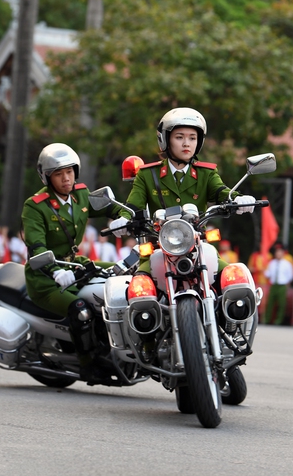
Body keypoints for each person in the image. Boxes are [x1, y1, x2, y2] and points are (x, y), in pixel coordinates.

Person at [108, 107, 256, 278]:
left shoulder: (206, 173)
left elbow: (222, 192)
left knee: (235, 279)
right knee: (139, 289)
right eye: (179, 137)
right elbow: (133, 205)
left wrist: (239, 199)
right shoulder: (148, 174)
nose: (187, 143)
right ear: (165, 140)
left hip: (199, 246)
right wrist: (124, 219)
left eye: (192, 138)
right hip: (158, 248)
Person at [22, 143, 121, 383]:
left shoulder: (81, 195)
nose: (66, 178)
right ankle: (89, 366)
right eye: (58, 173)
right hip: (46, 278)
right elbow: (37, 248)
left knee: (122, 273)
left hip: (76, 266)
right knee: (81, 311)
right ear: (47, 177)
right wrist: (55, 271)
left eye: (69, 171)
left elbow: (115, 208)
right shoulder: (35, 207)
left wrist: (126, 219)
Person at [263, 246, 293, 325]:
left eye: (280, 253)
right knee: (270, 303)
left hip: (282, 285)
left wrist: (287, 281)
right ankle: (267, 319)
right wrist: (264, 271)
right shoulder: (272, 263)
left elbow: (290, 275)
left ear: (283, 254)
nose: (278, 254)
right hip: (273, 285)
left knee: (281, 303)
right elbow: (268, 274)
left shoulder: (287, 264)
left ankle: (279, 320)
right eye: (277, 253)